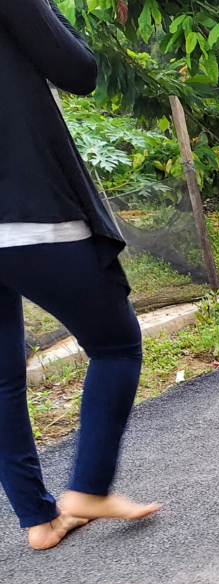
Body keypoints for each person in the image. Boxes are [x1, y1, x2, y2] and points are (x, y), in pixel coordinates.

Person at [0, 0, 159, 550]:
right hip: (28, 210)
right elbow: (78, 69)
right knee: (116, 345)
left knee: (1, 380)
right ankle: (88, 488)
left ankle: (39, 521)